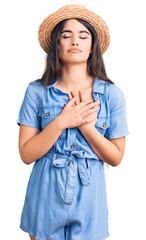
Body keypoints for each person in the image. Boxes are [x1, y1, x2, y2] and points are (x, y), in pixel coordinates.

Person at [16, 4, 129, 240]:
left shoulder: (112, 95)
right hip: (45, 195)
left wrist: (86, 127)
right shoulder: (36, 92)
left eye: (83, 36)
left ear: (92, 47)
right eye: (66, 36)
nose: (74, 41)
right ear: (56, 45)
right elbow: (26, 154)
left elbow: (116, 157)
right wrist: (61, 121)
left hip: (90, 200)